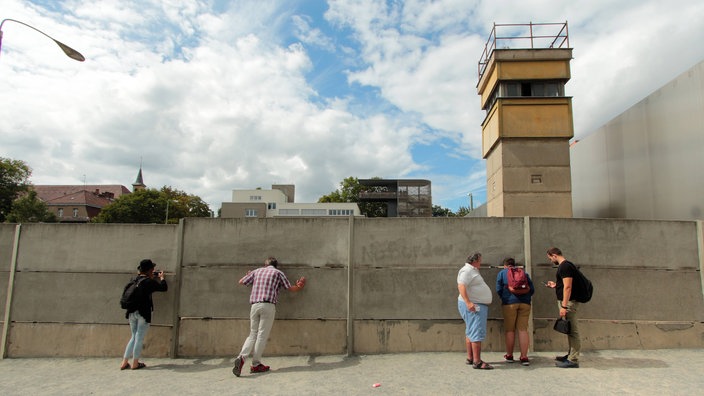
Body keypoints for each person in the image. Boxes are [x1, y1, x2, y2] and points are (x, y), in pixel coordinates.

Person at [233, 257, 306, 377]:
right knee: (262, 335)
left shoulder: (257, 271)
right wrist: (299, 286)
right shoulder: (278, 273)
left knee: (252, 334)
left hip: (254, 306)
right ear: (276, 265)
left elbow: (241, 281)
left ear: (265, 264)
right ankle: (256, 364)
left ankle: (241, 357)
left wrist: (249, 275)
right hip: (268, 305)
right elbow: (290, 288)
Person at [120, 259, 168, 370]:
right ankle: (135, 363)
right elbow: (163, 288)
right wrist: (161, 278)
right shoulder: (148, 282)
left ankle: (124, 362)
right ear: (150, 270)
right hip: (143, 313)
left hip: (131, 312)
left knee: (133, 337)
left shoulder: (134, 280)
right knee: (139, 337)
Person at [545, 247, 581, 368]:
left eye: (550, 258)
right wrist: (556, 285)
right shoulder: (566, 266)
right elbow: (564, 285)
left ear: (554, 255)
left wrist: (564, 306)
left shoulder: (565, 266)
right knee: (569, 330)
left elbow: (568, 287)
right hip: (566, 302)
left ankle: (573, 359)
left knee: (573, 331)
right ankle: (570, 355)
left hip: (568, 303)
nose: (551, 261)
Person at [457, 252, 493, 370]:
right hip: (474, 305)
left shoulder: (472, 270)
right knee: (476, 331)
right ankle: (477, 361)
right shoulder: (467, 271)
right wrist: (468, 303)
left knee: (471, 330)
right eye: (480, 260)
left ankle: (470, 357)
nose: (481, 262)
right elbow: (461, 286)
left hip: (474, 304)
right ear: (475, 260)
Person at [495, 257, 534, 366]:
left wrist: (505, 298)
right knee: (523, 330)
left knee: (510, 330)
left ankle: (509, 355)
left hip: (509, 304)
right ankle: (524, 357)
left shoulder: (502, 273)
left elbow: (498, 289)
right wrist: (524, 297)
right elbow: (532, 289)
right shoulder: (523, 273)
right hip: (525, 303)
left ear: (505, 265)